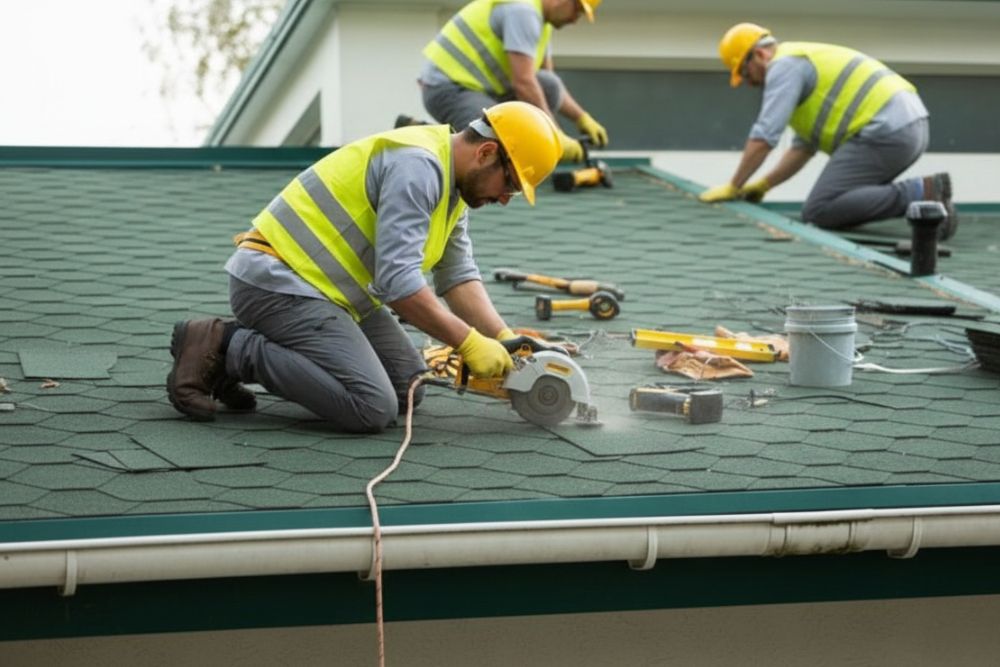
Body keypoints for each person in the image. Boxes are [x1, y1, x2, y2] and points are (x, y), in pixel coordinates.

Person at [166, 101, 562, 433]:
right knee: (371, 406)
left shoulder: (452, 187)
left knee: (409, 387)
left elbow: (457, 276)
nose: (506, 199)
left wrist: (505, 338)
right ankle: (228, 347)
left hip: (328, 294)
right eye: (510, 185)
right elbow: (398, 285)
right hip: (278, 282)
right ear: (487, 153)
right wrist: (468, 342)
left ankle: (245, 353)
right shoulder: (417, 168)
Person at [699, 23, 958, 239]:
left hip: (884, 129)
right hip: (909, 126)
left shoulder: (784, 66)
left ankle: (922, 192)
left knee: (819, 210)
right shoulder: (799, 71)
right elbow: (802, 149)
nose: (748, 82)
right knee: (839, 204)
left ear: (759, 54)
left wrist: (735, 186)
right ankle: (932, 210)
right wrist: (765, 185)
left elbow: (765, 135)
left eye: (744, 72)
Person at [418, 0, 608, 163]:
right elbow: (523, 82)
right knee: (493, 140)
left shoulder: (543, 25)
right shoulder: (522, 11)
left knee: (549, 86)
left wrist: (581, 118)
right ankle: (424, 136)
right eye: (578, 10)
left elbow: (545, 83)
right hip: (448, 88)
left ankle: (463, 135)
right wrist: (555, 136)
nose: (575, 20)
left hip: (483, 92)